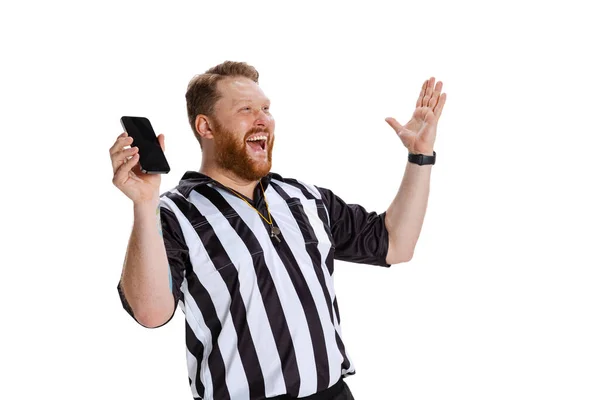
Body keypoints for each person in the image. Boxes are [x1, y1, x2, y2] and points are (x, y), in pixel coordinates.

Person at [110, 61, 446, 400]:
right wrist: (144, 203)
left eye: (266, 109)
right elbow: (150, 313)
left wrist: (420, 157)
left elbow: (396, 245)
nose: (263, 119)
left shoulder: (306, 198)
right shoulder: (172, 214)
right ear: (206, 126)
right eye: (246, 109)